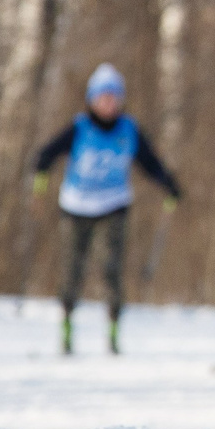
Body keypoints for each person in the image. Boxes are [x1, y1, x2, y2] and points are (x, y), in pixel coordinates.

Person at [31, 63, 182, 356]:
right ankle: (66, 326)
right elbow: (47, 153)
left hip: (114, 205)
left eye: (114, 97)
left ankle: (113, 331)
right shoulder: (79, 127)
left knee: (111, 269)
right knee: (72, 269)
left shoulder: (129, 130)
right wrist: (41, 170)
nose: (108, 103)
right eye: (103, 97)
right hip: (76, 205)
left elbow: (150, 164)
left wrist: (169, 185)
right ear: (91, 99)